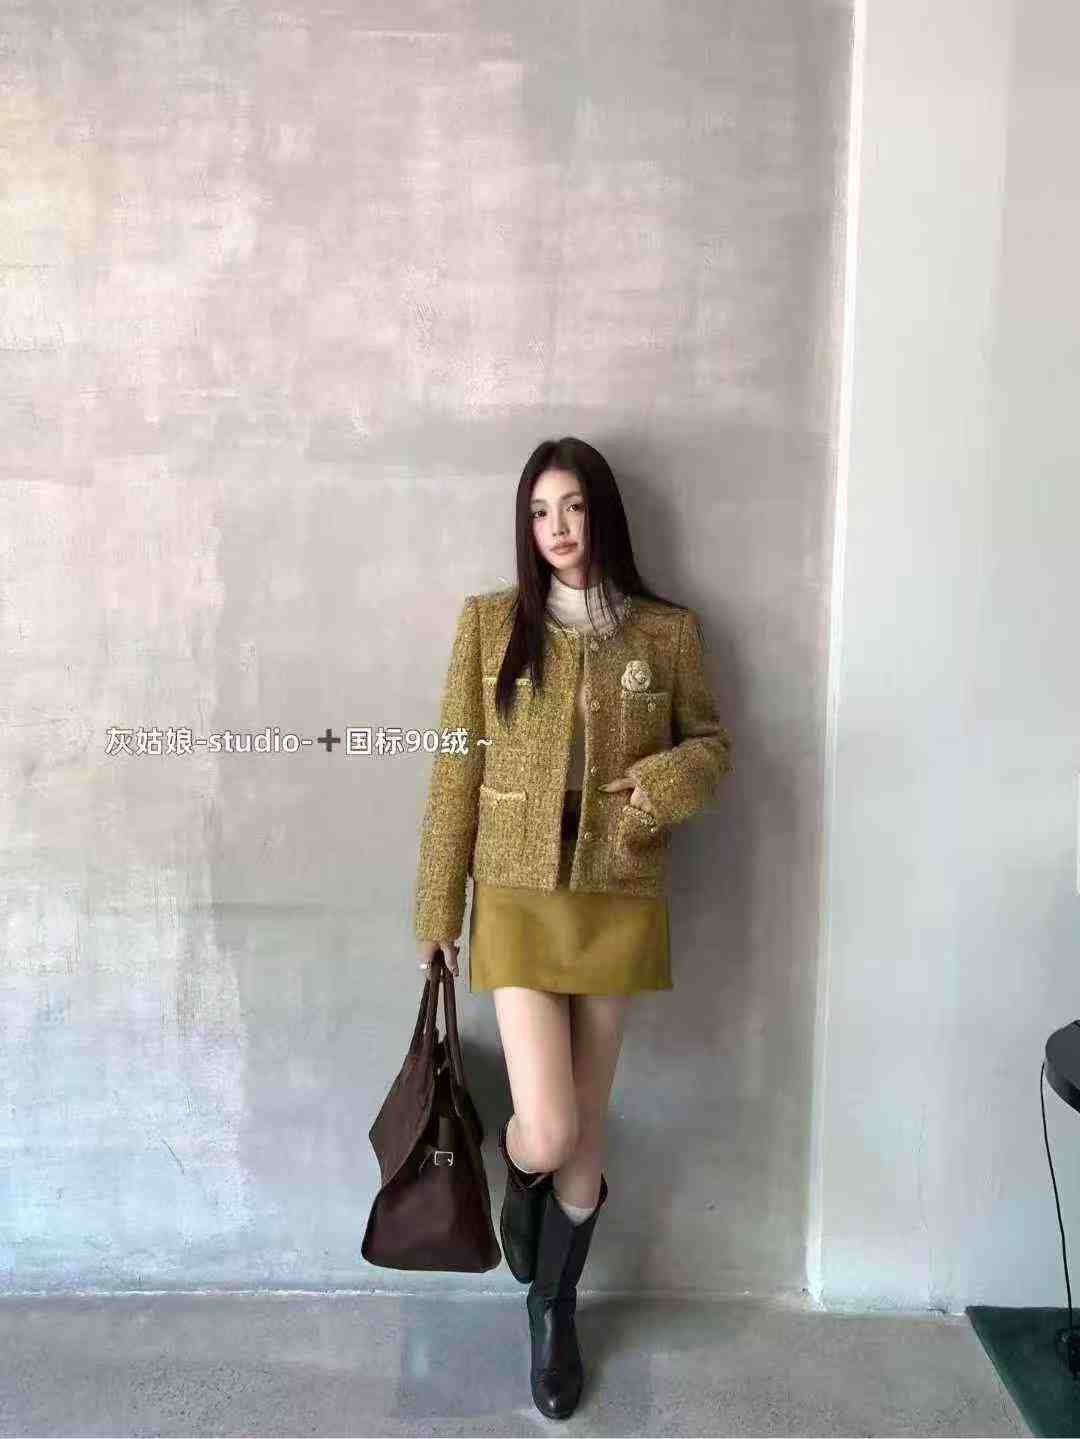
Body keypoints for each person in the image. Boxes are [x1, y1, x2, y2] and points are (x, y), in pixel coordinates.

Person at [412, 436, 733, 1419]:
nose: (557, 527)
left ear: (603, 514)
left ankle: (553, 1310)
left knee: (586, 1142)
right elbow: (455, 767)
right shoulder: (488, 623)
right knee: (549, 1128)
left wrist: (660, 785)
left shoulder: (664, 631)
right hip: (514, 894)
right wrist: (437, 907)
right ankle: (521, 1174)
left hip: (617, 893)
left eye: (574, 507)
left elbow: (711, 745)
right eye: (540, 511)